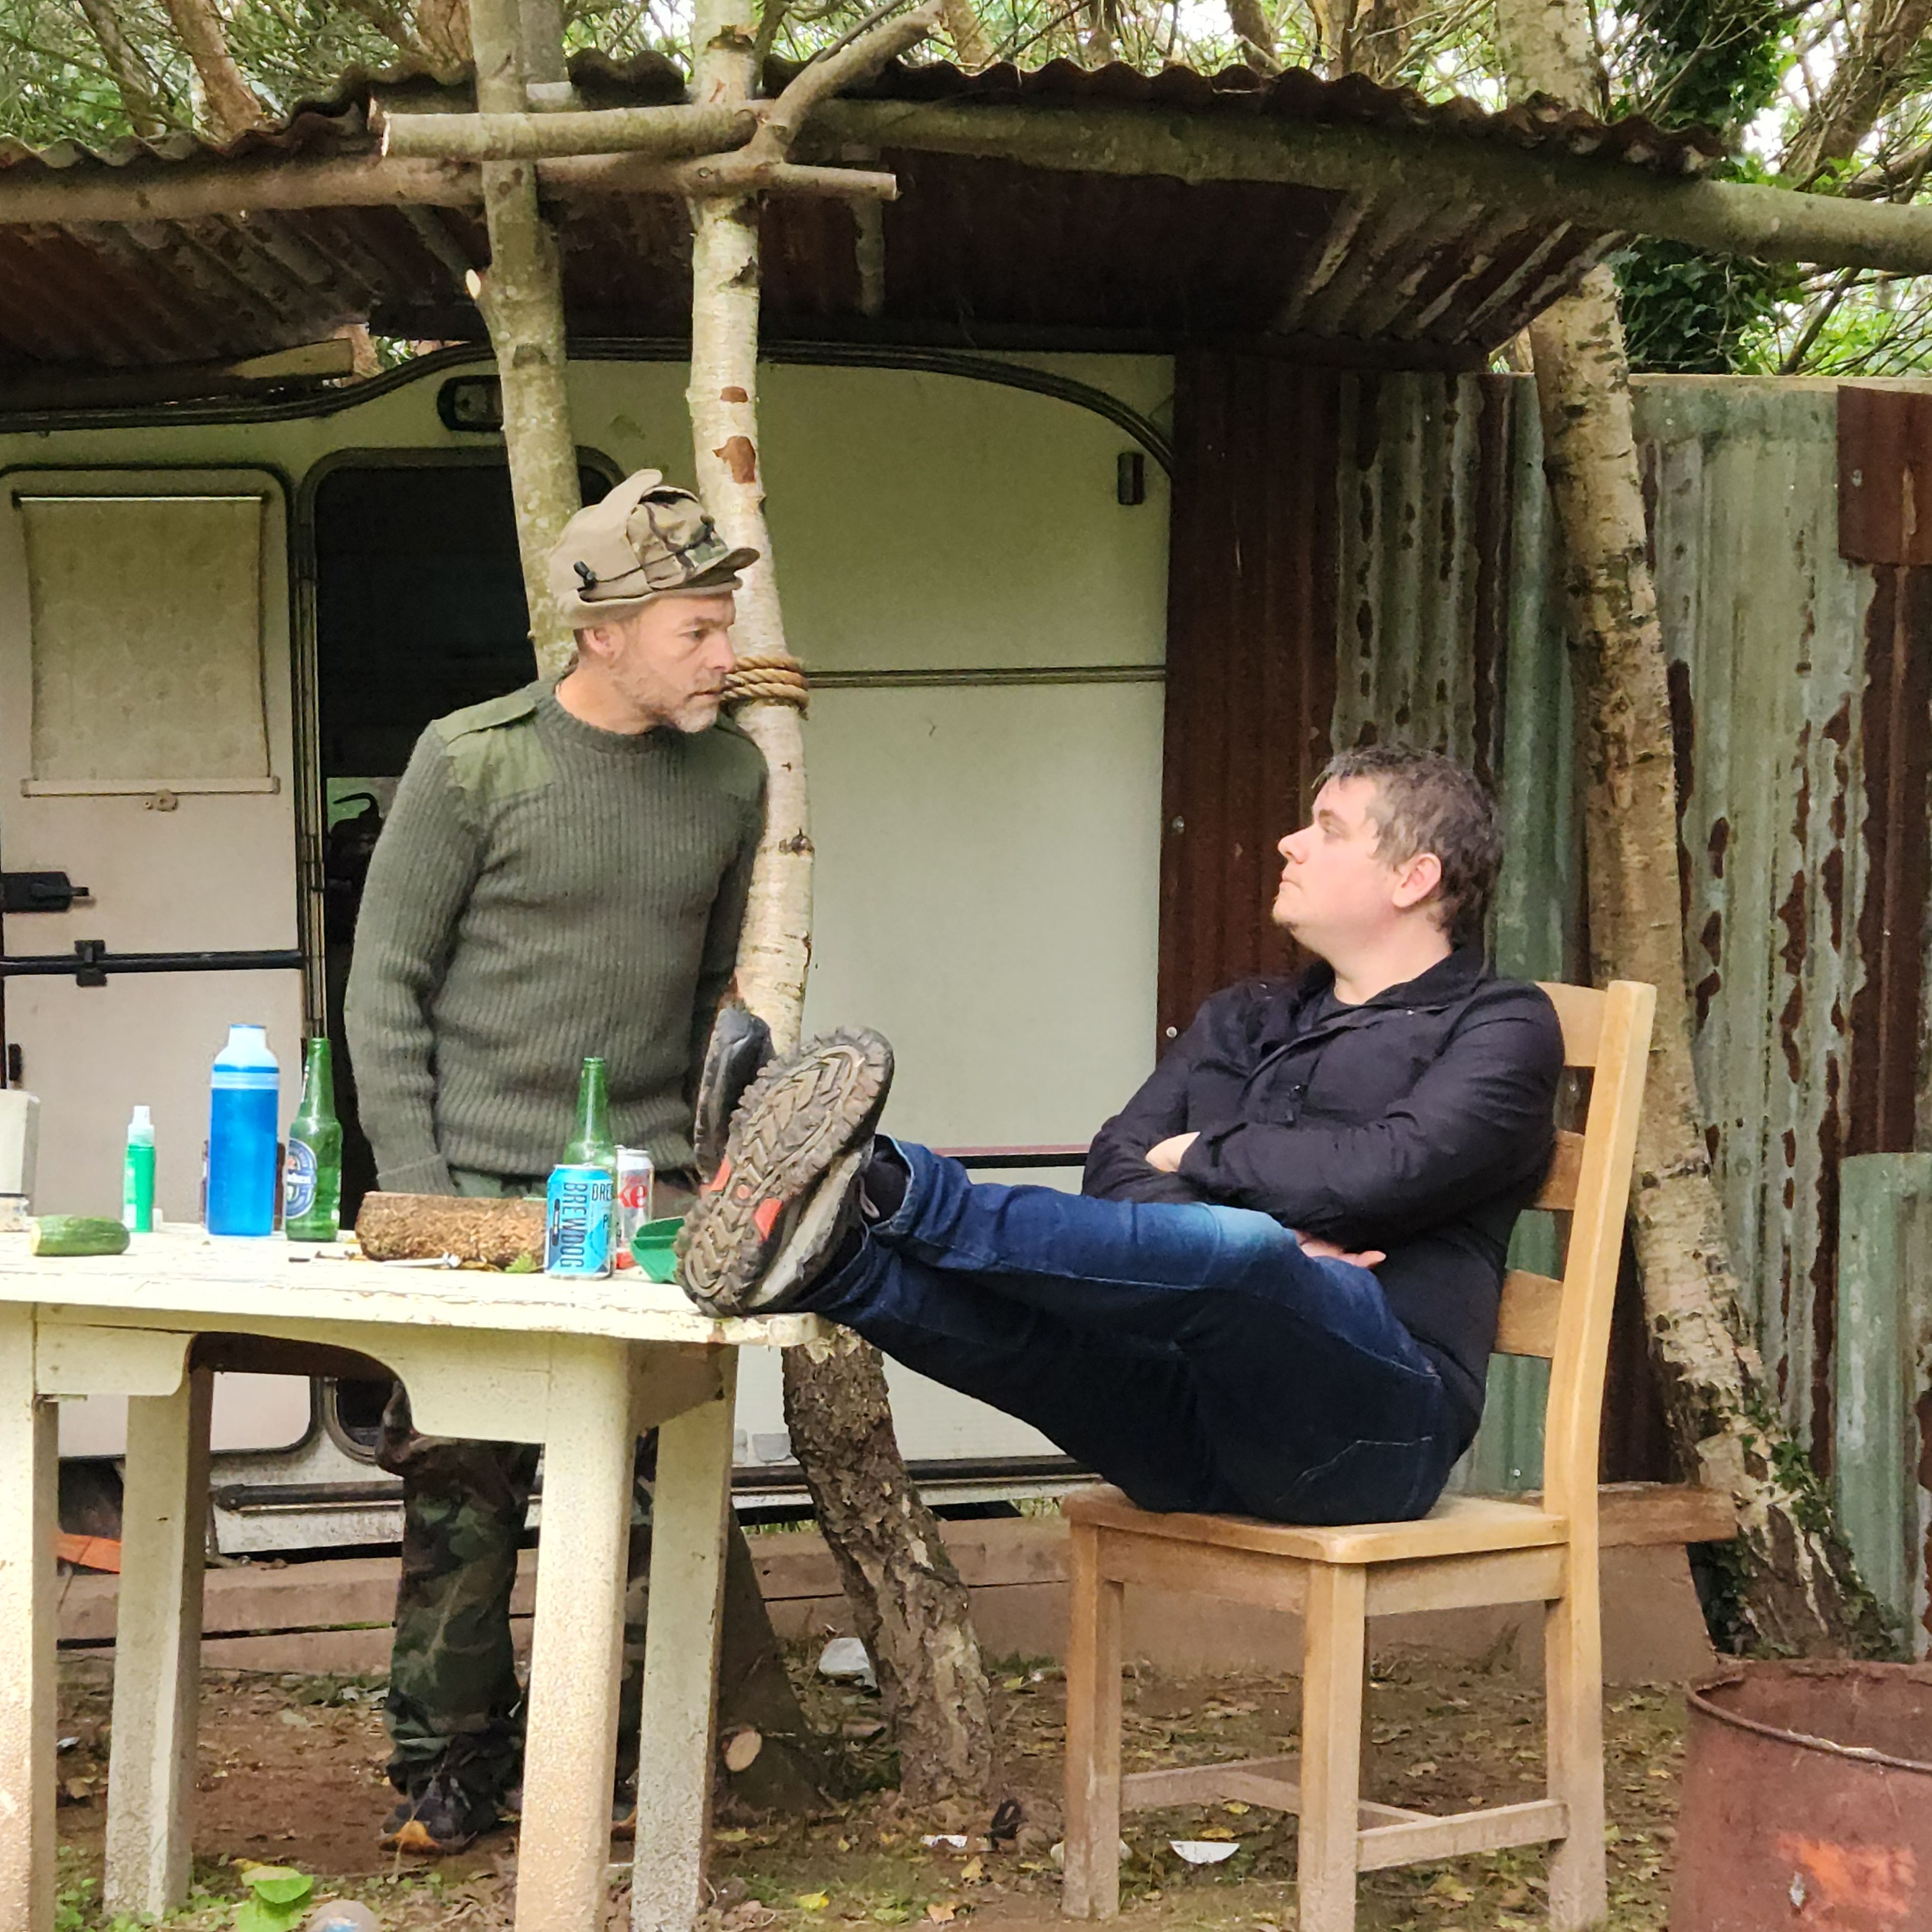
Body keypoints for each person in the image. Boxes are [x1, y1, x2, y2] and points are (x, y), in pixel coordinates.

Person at [676, 745, 1563, 1528]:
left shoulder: (1501, 1027)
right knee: (1059, 1343)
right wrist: (1262, 1237)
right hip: (1192, 1429)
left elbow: (1382, 1172)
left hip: (1370, 1437)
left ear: (1413, 879)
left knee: (1245, 1253)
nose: (1291, 843)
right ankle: (829, 1257)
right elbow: (1117, 1166)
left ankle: (878, 1178)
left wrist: (1209, 1169)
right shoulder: (1247, 1017)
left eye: (1328, 829)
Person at [344, 468, 768, 1852]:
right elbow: (385, 988)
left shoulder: (731, 775)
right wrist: (419, 1195)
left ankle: (641, 1758)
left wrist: (711, 1189)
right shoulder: (473, 759)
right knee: (463, 1494)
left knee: (660, 1494)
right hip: (471, 1192)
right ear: (603, 630)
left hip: (649, 1206)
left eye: (724, 621)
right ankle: (450, 1765)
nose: (725, 652)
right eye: (697, 628)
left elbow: (715, 995)